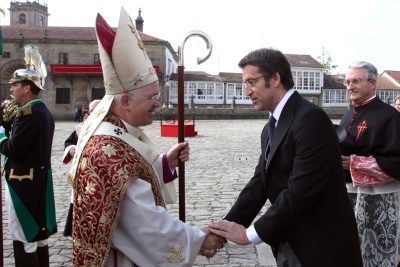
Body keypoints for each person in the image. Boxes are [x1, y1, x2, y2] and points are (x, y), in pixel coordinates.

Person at [67, 7, 225, 266]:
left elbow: (128, 179)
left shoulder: (113, 130)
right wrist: (197, 240)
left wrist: (164, 163)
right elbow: (146, 224)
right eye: (152, 97)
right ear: (126, 101)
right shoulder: (109, 150)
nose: (159, 104)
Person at [208, 48, 363, 266]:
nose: (246, 91)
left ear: (275, 78)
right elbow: (259, 183)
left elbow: (302, 191)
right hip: (289, 238)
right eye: (245, 83)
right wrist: (223, 229)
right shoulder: (271, 127)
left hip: (320, 246)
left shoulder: (310, 119)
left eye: (252, 82)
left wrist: (249, 234)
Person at [0, 44, 57, 267]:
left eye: (15, 85)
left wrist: (1, 136)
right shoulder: (40, 110)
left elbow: (14, 149)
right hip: (37, 181)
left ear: (27, 87)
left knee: (23, 236)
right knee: (38, 236)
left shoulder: (29, 113)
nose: (12, 89)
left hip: (22, 183)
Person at [339, 61, 400, 267]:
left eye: (356, 81)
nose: (350, 87)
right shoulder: (349, 115)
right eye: (347, 82)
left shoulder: (390, 117)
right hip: (349, 198)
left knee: (378, 256)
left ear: (372, 83)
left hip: (379, 200)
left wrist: (355, 163)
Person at [62, 99, 101, 237]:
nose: (89, 114)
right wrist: (72, 149)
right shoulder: (82, 127)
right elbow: (69, 142)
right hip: (81, 171)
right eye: (89, 111)